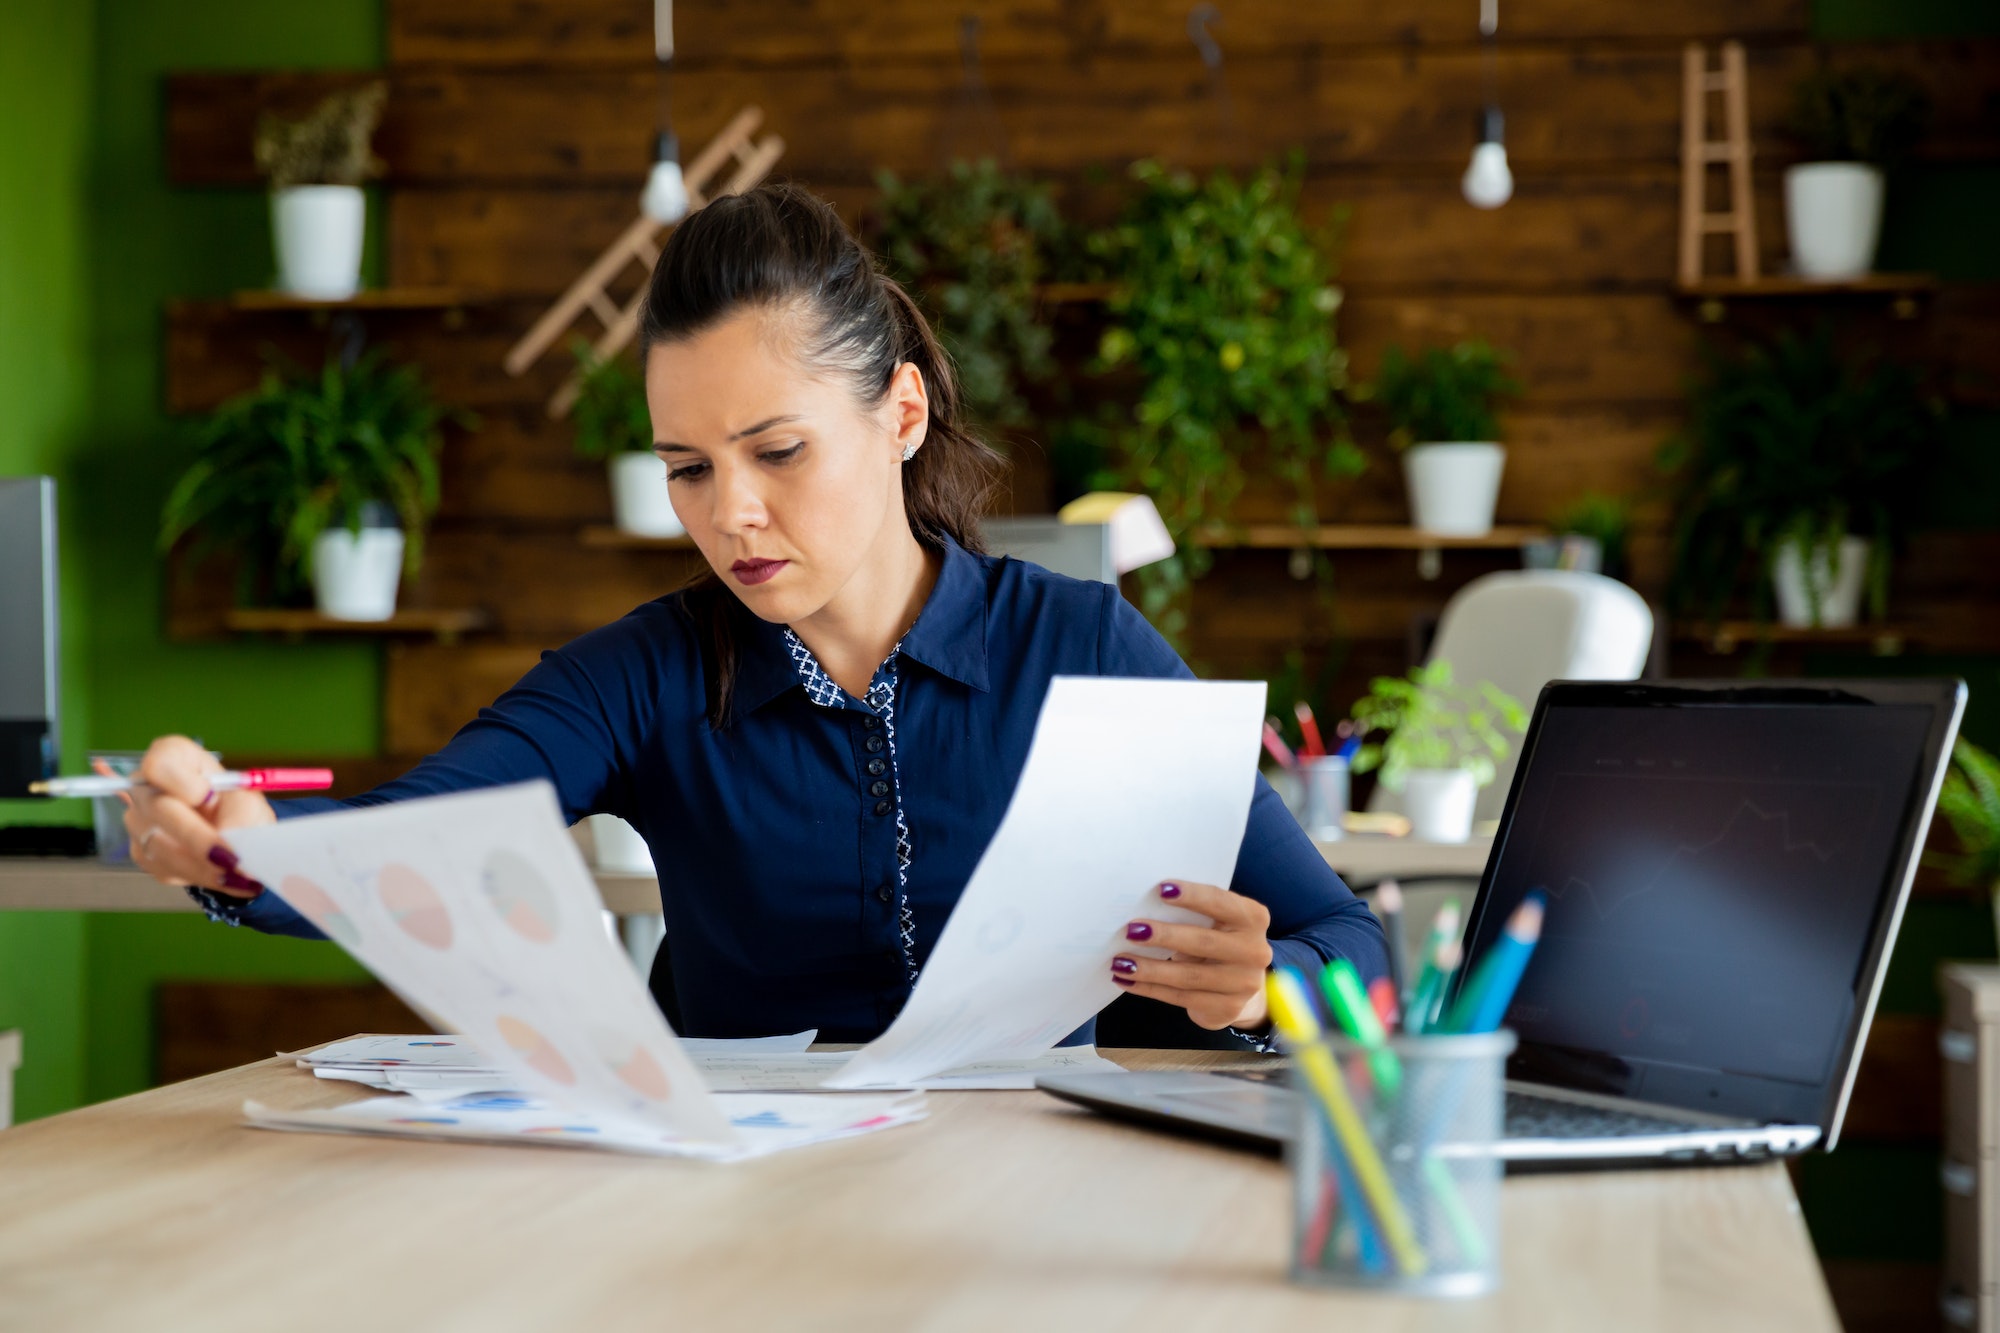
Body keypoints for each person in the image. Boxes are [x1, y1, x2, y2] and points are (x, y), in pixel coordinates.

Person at [123, 182, 1387, 1045]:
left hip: (1040, 1214)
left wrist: (1273, 984)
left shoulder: (1088, 650)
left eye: (777, 451)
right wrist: (245, 845)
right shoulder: (640, 677)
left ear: (898, 416)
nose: (729, 515)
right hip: (735, 1218)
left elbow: (1348, 936)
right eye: (687, 467)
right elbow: (414, 837)